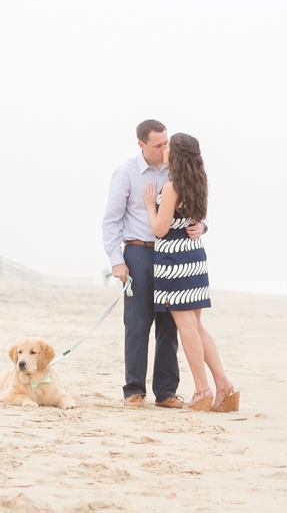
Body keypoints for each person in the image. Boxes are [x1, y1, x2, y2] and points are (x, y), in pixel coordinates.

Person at [102, 119, 207, 408]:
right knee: (137, 324)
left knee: (169, 326)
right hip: (138, 253)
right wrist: (116, 261)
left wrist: (203, 226)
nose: (164, 149)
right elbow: (111, 220)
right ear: (142, 145)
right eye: (157, 145)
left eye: (166, 143)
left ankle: (166, 392)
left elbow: (194, 206)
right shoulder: (126, 173)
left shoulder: (177, 170)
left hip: (173, 255)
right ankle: (134, 390)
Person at [143, 132, 239, 412]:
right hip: (194, 258)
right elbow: (197, 219)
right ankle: (223, 384)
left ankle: (202, 389)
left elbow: (160, 229)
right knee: (196, 326)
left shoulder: (172, 187)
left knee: (186, 329)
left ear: (177, 154)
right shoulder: (199, 181)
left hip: (174, 261)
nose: (164, 150)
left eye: (168, 147)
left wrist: (151, 205)